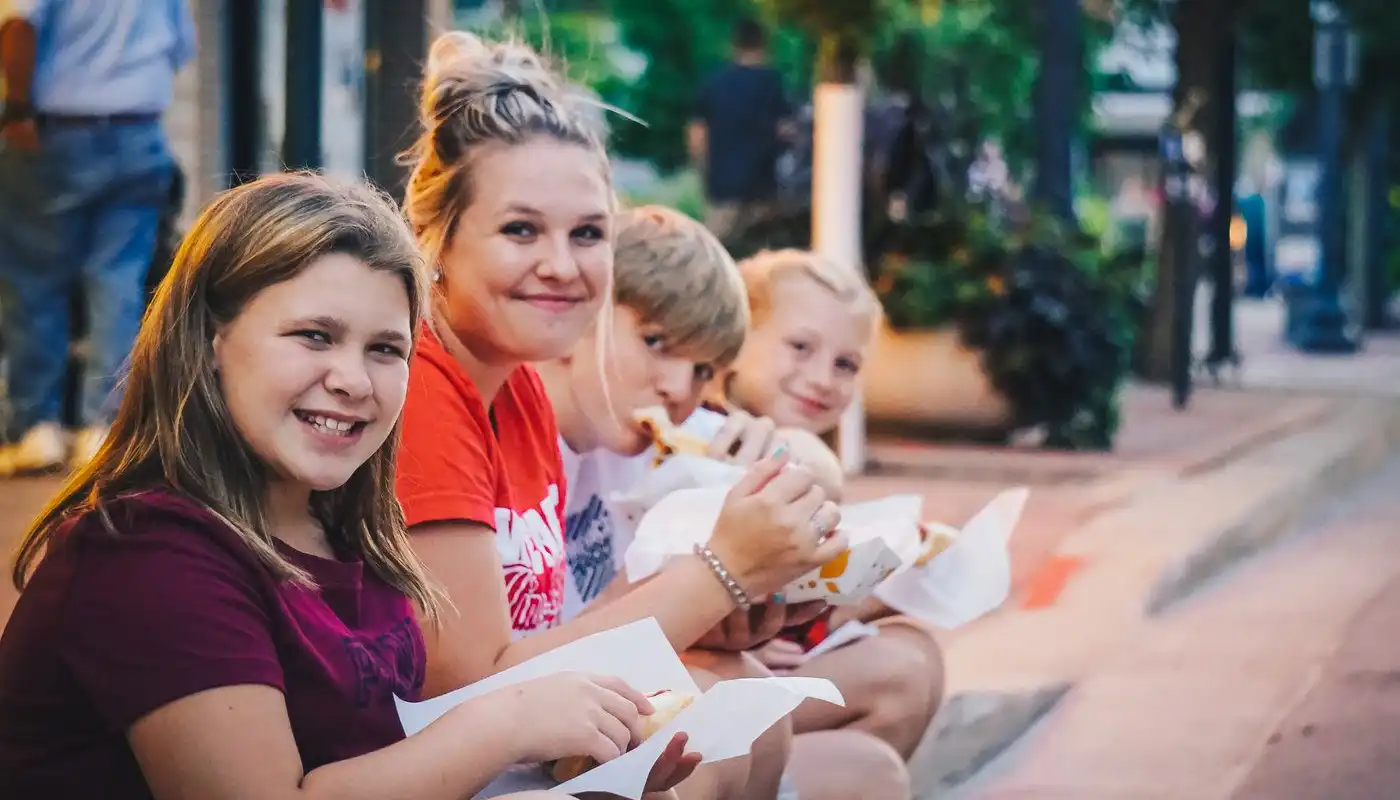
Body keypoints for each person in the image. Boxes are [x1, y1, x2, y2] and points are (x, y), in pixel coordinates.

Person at [0, 173, 686, 800]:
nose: (354, 381)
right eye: (314, 336)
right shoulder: (149, 554)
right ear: (210, 340)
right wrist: (505, 725)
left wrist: (574, 754)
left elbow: (387, 757)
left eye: (385, 349)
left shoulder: (349, 531)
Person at [394, 32, 843, 799]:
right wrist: (720, 573)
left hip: (524, 753)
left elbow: (544, 634)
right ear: (437, 239)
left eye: (588, 234)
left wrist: (719, 605)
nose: (563, 265)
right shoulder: (423, 393)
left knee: (745, 713)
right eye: (521, 230)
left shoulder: (520, 392)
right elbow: (472, 697)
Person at [537, 204, 914, 800]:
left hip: (607, 691)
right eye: (656, 342)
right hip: (546, 721)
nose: (676, 387)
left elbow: (815, 471)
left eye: (700, 367)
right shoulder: (543, 433)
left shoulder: (663, 434)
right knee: (743, 707)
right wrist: (719, 580)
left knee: (873, 743)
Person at [718, 249, 947, 763]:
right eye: (800, 347)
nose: (823, 379)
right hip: (707, 673)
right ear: (733, 336)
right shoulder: (719, 444)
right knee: (900, 679)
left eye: (846, 364)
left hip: (759, 657)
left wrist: (885, 580)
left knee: (917, 655)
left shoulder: (791, 451)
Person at [0, 0, 194, 475]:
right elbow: (180, 48)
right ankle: (104, 428)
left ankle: (35, 427)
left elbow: (18, 23)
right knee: (120, 280)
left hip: (55, 132)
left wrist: (17, 107)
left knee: (34, 281)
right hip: (139, 131)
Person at [688, 18, 794, 246]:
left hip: (722, 186)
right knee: (761, 253)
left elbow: (697, 135)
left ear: (732, 46)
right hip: (762, 188)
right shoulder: (772, 83)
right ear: (765, 45)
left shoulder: (714, 83)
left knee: (711, 249)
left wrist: (704, 173)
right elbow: (786, 131)